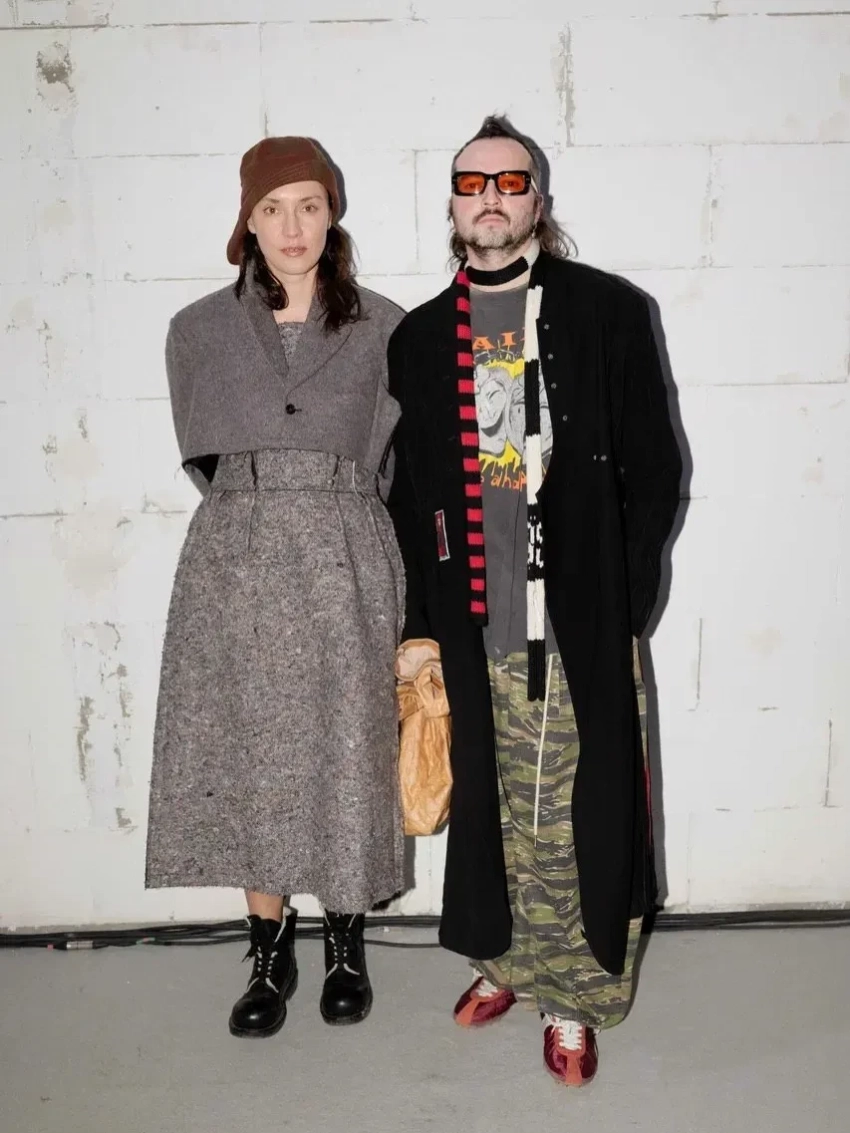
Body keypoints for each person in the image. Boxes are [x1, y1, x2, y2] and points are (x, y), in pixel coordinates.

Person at [387, 116, 682, 1086]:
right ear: (451, 202)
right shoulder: (418, 338)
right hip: (475, 611)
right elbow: (409, 492)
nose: (491, 197)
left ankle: (572, 995)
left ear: (538, 202)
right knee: (493, 800)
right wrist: (421, 626)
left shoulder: (605, 311)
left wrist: (620, 602)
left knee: (573, 808)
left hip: (574, 614)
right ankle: (506, 959)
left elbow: (655, 466)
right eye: (473, 182)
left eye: (511, 182)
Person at [145, 137, 406, 1039]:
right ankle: (268, 949)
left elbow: (398, 460)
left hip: (346, 551)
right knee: (248, 747)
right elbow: (202, 454)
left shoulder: (385, 327)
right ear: (246, 222)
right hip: (239, 556)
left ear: (332, 215)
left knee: (348, 743)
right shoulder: (197, 331)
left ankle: (345, 940)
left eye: (309, 205)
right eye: (272, 208)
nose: (292, 227)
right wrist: (261, 506)